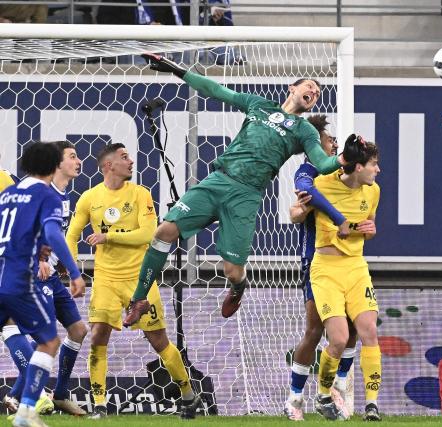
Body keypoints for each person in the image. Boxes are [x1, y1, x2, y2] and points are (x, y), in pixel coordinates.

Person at [123, 53, 356, 327]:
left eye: (317, 93)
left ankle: (237, 288)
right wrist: (175, 69)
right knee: (164, 232)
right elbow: (216, 90)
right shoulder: (259, 105)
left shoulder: (305, 130)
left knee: (233, 272)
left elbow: (322, 163)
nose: (314, 92)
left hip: (246, 196)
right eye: (310, 87)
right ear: (292, 88)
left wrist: (343, 159)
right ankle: (139, 298)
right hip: (217, 181)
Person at [65, 143, 200, 420]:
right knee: (98, 336)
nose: (131, 161)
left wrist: (108, 236)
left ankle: (188, 395)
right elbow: (71, 235)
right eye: (124, 157)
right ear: (108, 166)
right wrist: (72, 270)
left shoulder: (140, 194)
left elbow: (149, 234)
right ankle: (100, 406)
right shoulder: (89, 198)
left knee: (159, 341)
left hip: (140, 279)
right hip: (105, 279)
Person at [0, 141, 85, 427]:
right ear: (53, 165)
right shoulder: (46, 195)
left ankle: (26, 406)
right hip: (18, 277)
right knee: (48, 341)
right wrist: (74, 272)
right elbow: (52, 232)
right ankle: (26, 412)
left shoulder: (9, 194)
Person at [284, 115, 357, 421]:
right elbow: (296, 212)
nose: (334, 147)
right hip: (316, 263)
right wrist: (302, 209)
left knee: (353, 329)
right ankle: (295, 398)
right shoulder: (308, 171)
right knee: (315, 330)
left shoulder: (341, 175)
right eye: (329, 142)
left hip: (346, 263)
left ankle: (337, 386)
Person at [307, 137, 382, 421]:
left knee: (369, 331)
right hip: (326, 268)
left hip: (356, 267)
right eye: (374, 164)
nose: (378, 170)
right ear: (359, 165)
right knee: (338, 339)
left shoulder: (373, 190)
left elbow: (371, 227)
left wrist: (370, 228)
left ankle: (372, 404)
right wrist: (298, 210)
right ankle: (323, 395)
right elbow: (298, 207)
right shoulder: (323, 184)